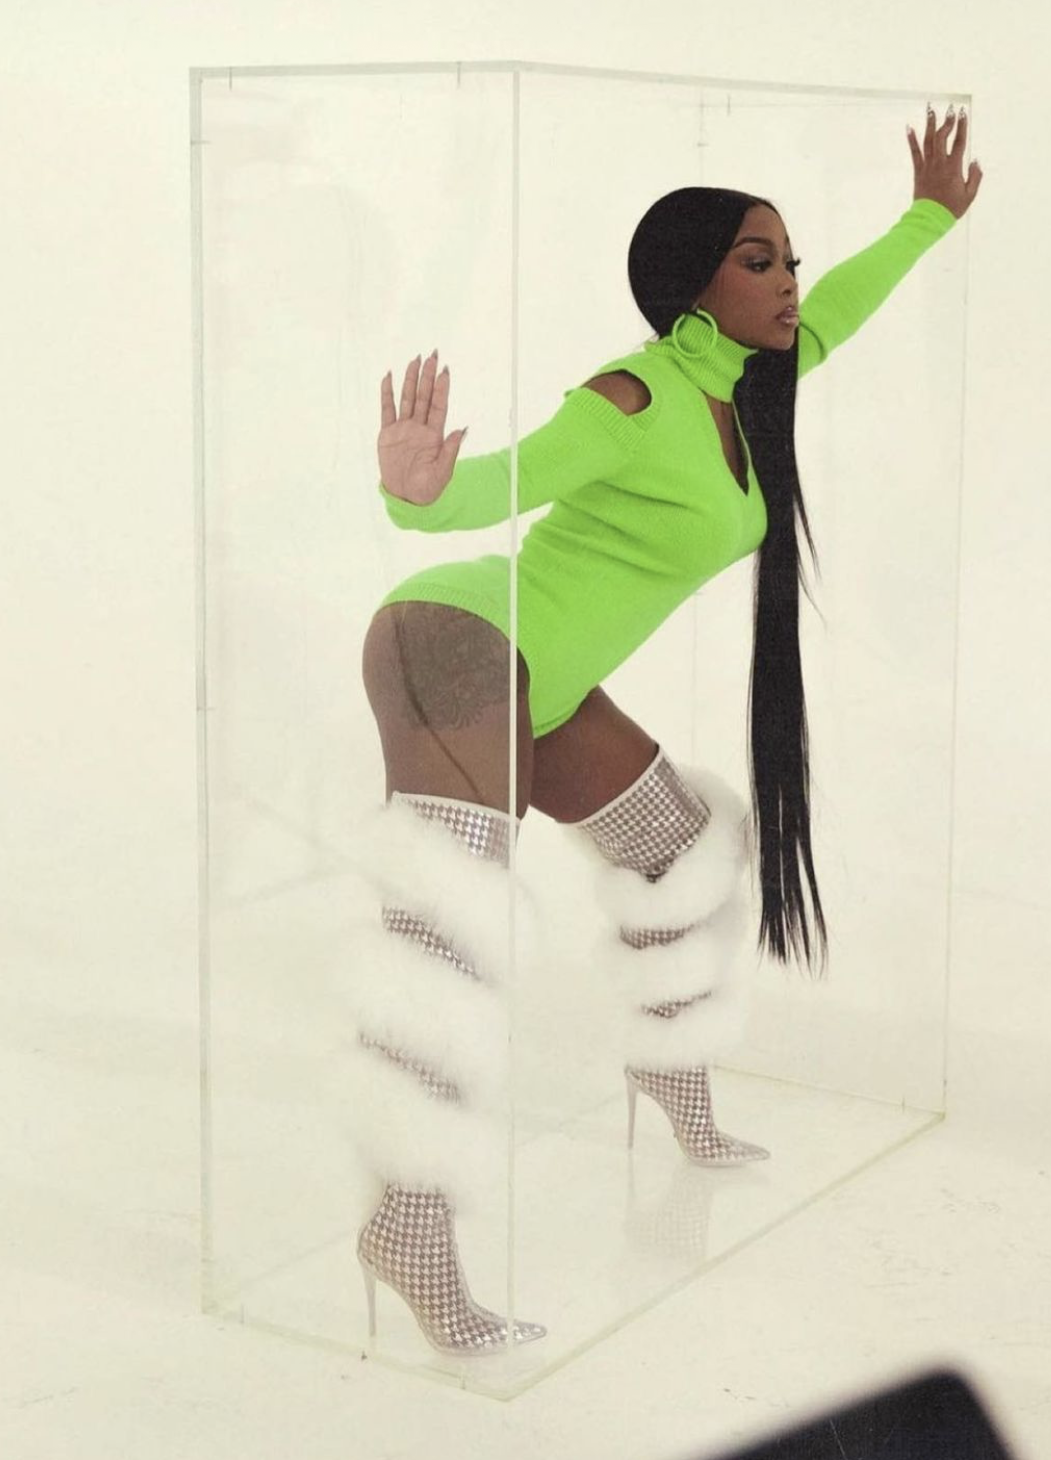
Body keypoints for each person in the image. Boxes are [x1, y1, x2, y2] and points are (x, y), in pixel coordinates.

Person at [345, 104, 983, 1356]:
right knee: (447, 944)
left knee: (680, 851)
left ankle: (665, 1072)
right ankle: (405, 1232)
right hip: (459, 643)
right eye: (760, 260)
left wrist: (927, 217)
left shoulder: (750, 390)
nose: (790, 282)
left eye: (790, 258)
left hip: (544, 678)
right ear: (695, 288)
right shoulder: (633, 395)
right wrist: (419, 491)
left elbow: (842, 307)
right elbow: (507, 478)